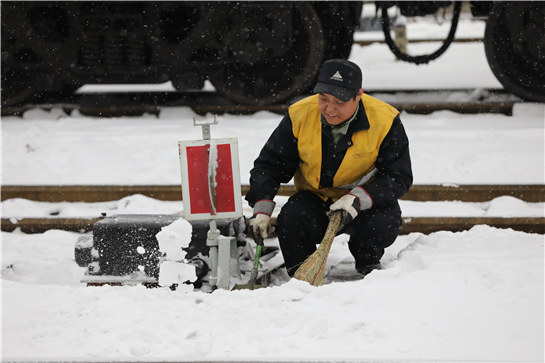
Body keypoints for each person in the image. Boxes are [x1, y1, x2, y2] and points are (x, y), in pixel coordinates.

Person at [245, 59, 413, 277]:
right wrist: (261, 207)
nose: (330, 109)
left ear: (358, 95)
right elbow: (269, 165)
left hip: (361, 206)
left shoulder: (385, 120)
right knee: (291, 218)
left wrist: (357, 199)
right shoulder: (299, 115)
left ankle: (367, 261)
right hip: (317, 201)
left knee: (383, 223)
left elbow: (398, 177)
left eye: (340, 102)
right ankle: (302, 274)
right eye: (323, 99)